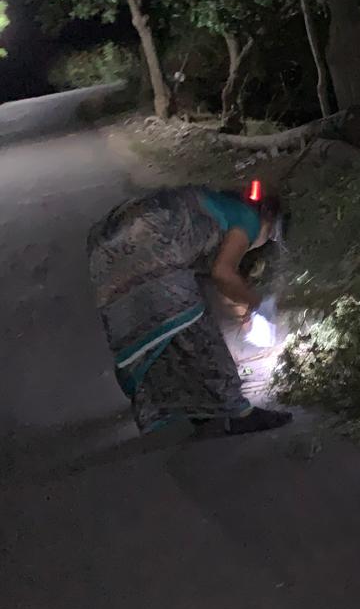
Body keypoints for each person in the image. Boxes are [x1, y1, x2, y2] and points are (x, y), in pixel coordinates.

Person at [87, 184, 294, 435]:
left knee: (164, 327)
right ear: (269, 223)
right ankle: (238, 413)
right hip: (148, 245)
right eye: (270, 238)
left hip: (109, 243)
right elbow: (223, 273)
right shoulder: (249, 220)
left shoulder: (224, 206)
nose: (261, 244)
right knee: (196, 331)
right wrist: (259, 305)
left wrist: (244, 309)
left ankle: (199, 404)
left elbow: (222, 280)